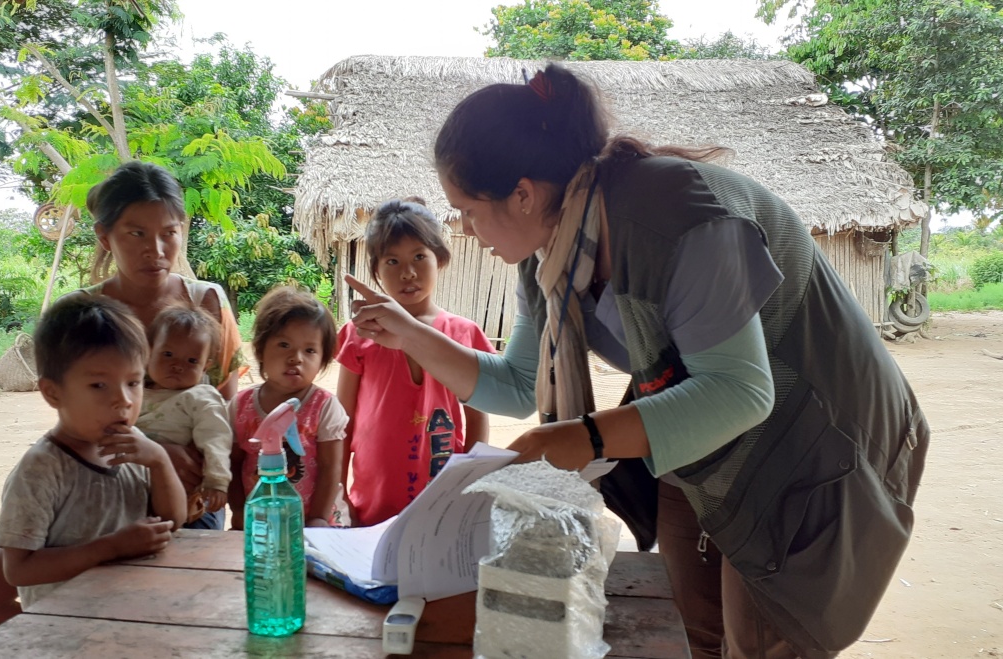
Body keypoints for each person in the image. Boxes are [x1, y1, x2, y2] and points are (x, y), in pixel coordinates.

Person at [345, 64, 928, 659]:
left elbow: (739, 392)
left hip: (815, 438)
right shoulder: (547, 254)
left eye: (466, 208)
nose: (463, 230)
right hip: (697, 432)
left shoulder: (680, 215)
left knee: (766, 641)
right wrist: (410, 334)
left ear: (522, 193)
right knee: (689, 630)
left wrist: (585, 437)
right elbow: (519, 385)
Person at [0, 161, 242, 635]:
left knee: (170, 606)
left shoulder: (206, 302)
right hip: (94, 481)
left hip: (183, 491)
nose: (156, 249)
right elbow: (69, 408)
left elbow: (225, 408)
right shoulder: (83, 312)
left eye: (169, 232)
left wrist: (185, 466)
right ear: (105, 237)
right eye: (136, 233)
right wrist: (143, 452)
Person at [0, 295, 187, 610]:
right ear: (53, 393)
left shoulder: (135, 446)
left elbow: (172, 520)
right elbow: (18, 569)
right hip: (64, 624)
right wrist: (108, 548)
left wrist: (160, 462)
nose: (123, 400)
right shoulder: (42, 470)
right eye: (99, 385)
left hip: (129, 608)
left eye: (134, 382)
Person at [335, 198, 493, 527]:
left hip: (442, 496)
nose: (408, 272)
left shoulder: (465, 334)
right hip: (372, 501)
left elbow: (477, 419)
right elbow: (343, 421)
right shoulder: (359, 333)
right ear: (376, 271)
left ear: (441, 259)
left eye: (420, 257)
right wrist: (339, 491)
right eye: (392, 261)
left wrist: (470, 482)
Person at [228, 286, 347, 530]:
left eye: (310, 350)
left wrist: (319, 519)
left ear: (323, 359)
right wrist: (240, 511)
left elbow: (330, 468)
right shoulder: (240, 406)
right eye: (284, 345)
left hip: (312, 524)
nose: (296, 358)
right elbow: (233, 462)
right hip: (260, 523)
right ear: (260, 349)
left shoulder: (324, 407)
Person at [137, 305, 232, 526]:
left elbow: (216, 438)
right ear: (149, 353)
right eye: (168, 354)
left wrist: (217, 481)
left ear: (205, 367)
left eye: (191, 361)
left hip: (181, 491)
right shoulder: (135, 392)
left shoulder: (201, 397)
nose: (178, 366)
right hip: (132, 488)